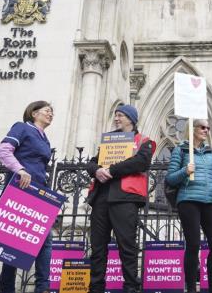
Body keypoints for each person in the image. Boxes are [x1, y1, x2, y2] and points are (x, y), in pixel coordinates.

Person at [86, 105, 155, 293]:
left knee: (127, 247)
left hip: (125, 198)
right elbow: (91, 162)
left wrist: (111, 170)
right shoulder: (109, 140)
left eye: (120, 115)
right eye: (115, 115)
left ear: (131, 120)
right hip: (101, 197)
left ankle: (131, 287)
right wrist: (97, 170)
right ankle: (96, 288)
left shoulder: (144, 141)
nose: (116, 118)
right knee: (98, 248)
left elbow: (141, 162)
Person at [0, 100, 55, 293]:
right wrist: (20, 170)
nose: (50, 114)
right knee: (13, 244)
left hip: (37, 191)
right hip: (20, 189)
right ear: (34, 113)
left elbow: (39, 165)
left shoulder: (45, 138)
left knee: (44, 240)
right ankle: (8, 288)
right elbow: (3, 151)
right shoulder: (22, 127)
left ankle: (42, 287)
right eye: (47, 110)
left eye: (52, 112)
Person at [166, 119, 212, 293]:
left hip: (209, 201)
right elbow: (170, 178)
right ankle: (191, 288)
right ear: (193, 129)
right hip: (189, 199)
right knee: (193, 244)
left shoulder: (211, 153)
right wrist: (185, 171)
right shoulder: (181, 150)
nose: (206, 130)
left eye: (208, 127)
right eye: (202, 127)